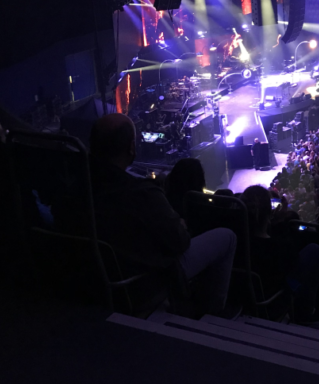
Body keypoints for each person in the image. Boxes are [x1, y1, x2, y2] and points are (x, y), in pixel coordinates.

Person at [89, 113, 236, 316]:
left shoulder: (79, 188)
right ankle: (212, 313)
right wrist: (181, 225)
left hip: (94, 282)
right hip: (145, 280)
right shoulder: (142, 193)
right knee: (227, 237)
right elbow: (180, 242)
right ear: (131, 148)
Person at [240, 185, 319, 324]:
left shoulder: (237, 238)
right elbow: (292, 257)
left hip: (243, 300)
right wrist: (280, 223)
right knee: (314, 250)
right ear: (269, 213)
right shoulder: (278, 247)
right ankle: (304, 316)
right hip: (272, 304)